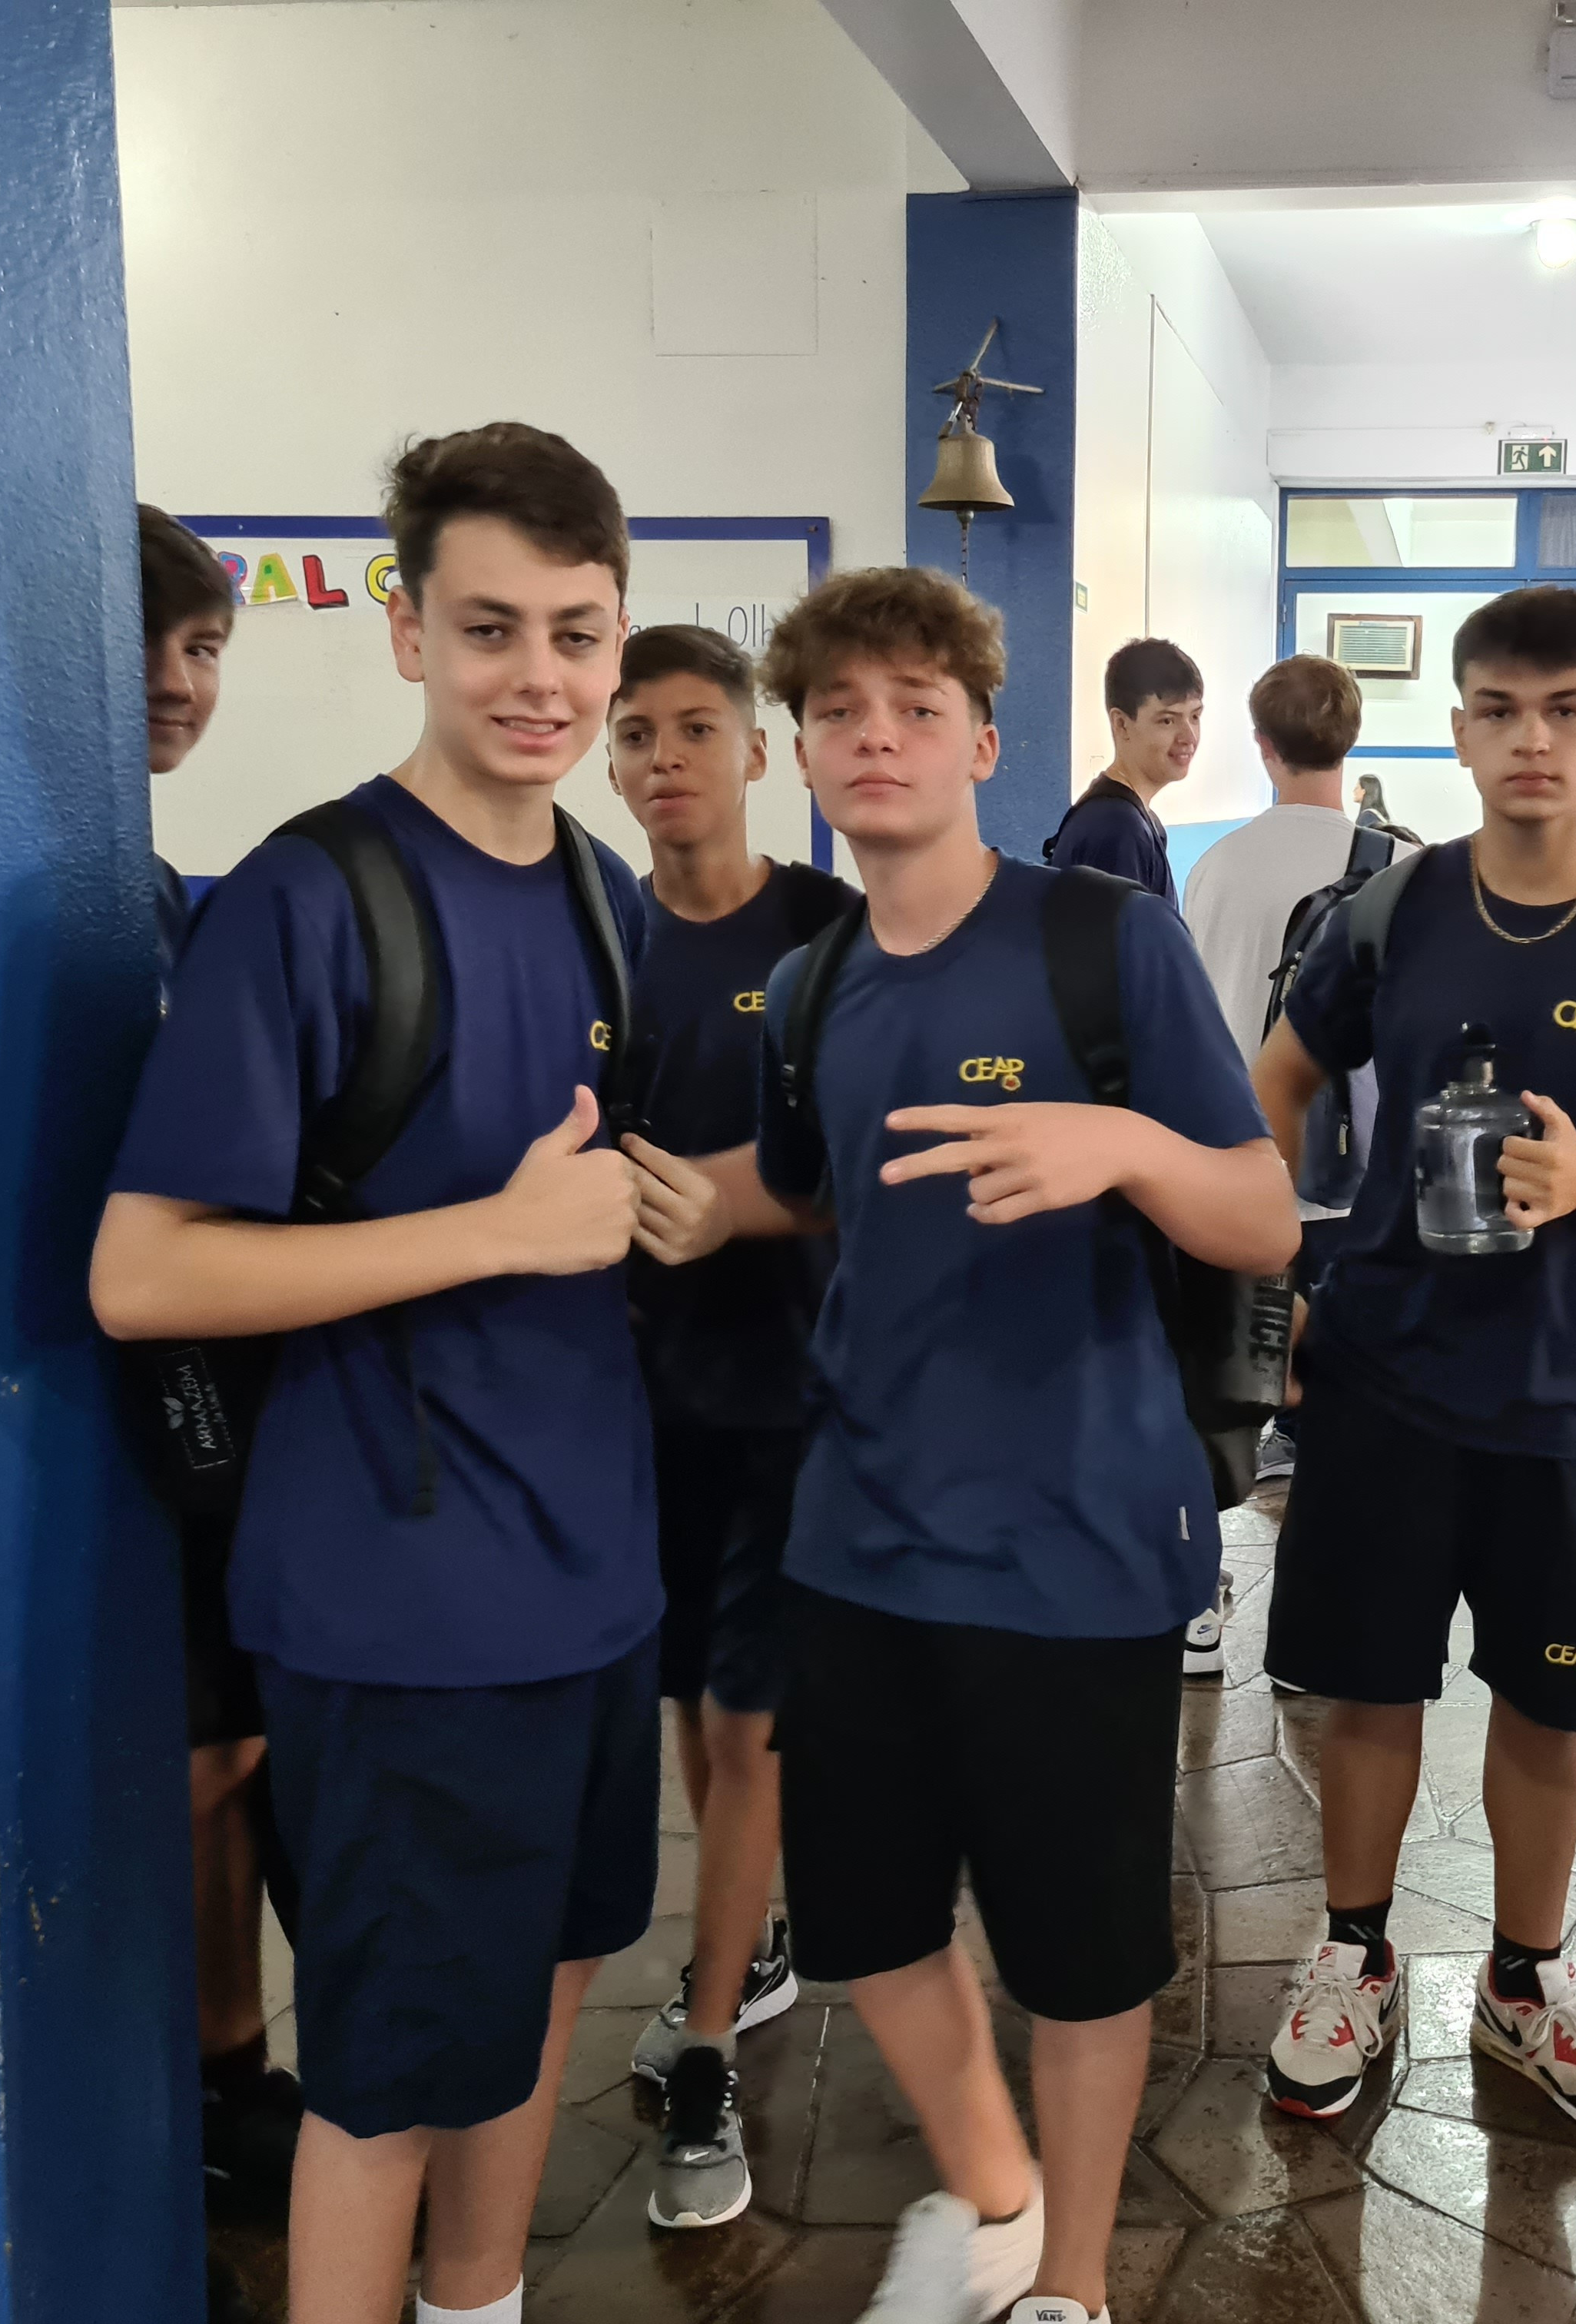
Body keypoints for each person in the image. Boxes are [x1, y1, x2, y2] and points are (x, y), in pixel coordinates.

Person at [92, 424, 708, 2324]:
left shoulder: (603, 895)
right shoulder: (312, 896)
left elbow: (574, 1197)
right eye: (490, 628)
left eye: (576, 635)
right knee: (379, 2078)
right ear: (406, 629)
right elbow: (144, 1272)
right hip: (402, 1600)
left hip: (593, 1574)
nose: (540, 678)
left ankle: (480, 2301)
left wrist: (654, 1211)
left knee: (540, 1992)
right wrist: (496, 1234)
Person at [694, 566, 1296, 2324]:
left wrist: (1120, 1144)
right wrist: (631, 1197)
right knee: (871, 1927)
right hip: (857, 1540)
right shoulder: (810, 985)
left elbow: (1261, 1215)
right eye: (840, 711)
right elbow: (803, 1190)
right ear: (805, 749)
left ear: (980, 740)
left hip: (1073, 1544)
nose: (875, 737)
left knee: (1081, 1958)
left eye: (916, 707)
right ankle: (1002, 2195)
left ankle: (1073, 2287)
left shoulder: (1099, 942)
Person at [1249, 585, 1576, 2135]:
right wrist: (1279, 1278)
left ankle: (1523, 1979)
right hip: (1385, 1377)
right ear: (1461, 730)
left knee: (1551, 1701)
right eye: (1499, 710)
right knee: (1368, 1686)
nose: (1530, 739)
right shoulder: (1392, 912)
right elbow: (1276, 1077)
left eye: (1563, 710)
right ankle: (1355, 1951)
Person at [599, 622, 851, 2229]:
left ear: (758, 752)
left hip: (792, 1394)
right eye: (638, 734)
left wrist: (739, 1208)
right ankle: (743, 1940)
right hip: (633, 1400)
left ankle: (704, 2052)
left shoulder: (827, 929)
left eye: (697, 729)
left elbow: (868, 1159)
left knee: (749, 1721)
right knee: (696, 1706)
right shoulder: (593, 933)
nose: (666, 759)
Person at [133, 504, 307, 2231]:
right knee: (198, 1757)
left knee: (237, 1745)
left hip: (214, 1403)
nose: (179, 682)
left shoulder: (175, 906)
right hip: (129, 1386)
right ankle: (185, 2082)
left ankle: (232, 2060)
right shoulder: (85, 898)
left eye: (202, 649)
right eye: (154, 645)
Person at [1180, 652, 1410, 1499]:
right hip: (1367, 1160)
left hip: (1250, 1156)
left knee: (1262, 1329)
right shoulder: (1407, 865)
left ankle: (1264, 1441)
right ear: (1351, 739)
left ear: (1262, 745)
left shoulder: (1215, 867)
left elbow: (1199, 1017)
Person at [1043, 636, 1199, 896]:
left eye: (1194, 716)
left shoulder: (1133, 820)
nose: (1189, 737)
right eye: (1167, 721)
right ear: (1122, 724)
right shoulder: (1116, 831)